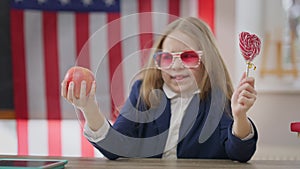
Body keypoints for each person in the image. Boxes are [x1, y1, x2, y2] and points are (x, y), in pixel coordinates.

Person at [61, 16, 258, 162]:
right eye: (167, 57)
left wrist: (240, 117)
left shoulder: (218, 99)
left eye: (188, 56)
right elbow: (114, 147)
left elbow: (239, 153)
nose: (176, 66)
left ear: (207, 60)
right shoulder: (143, 94)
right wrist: (89, 108)